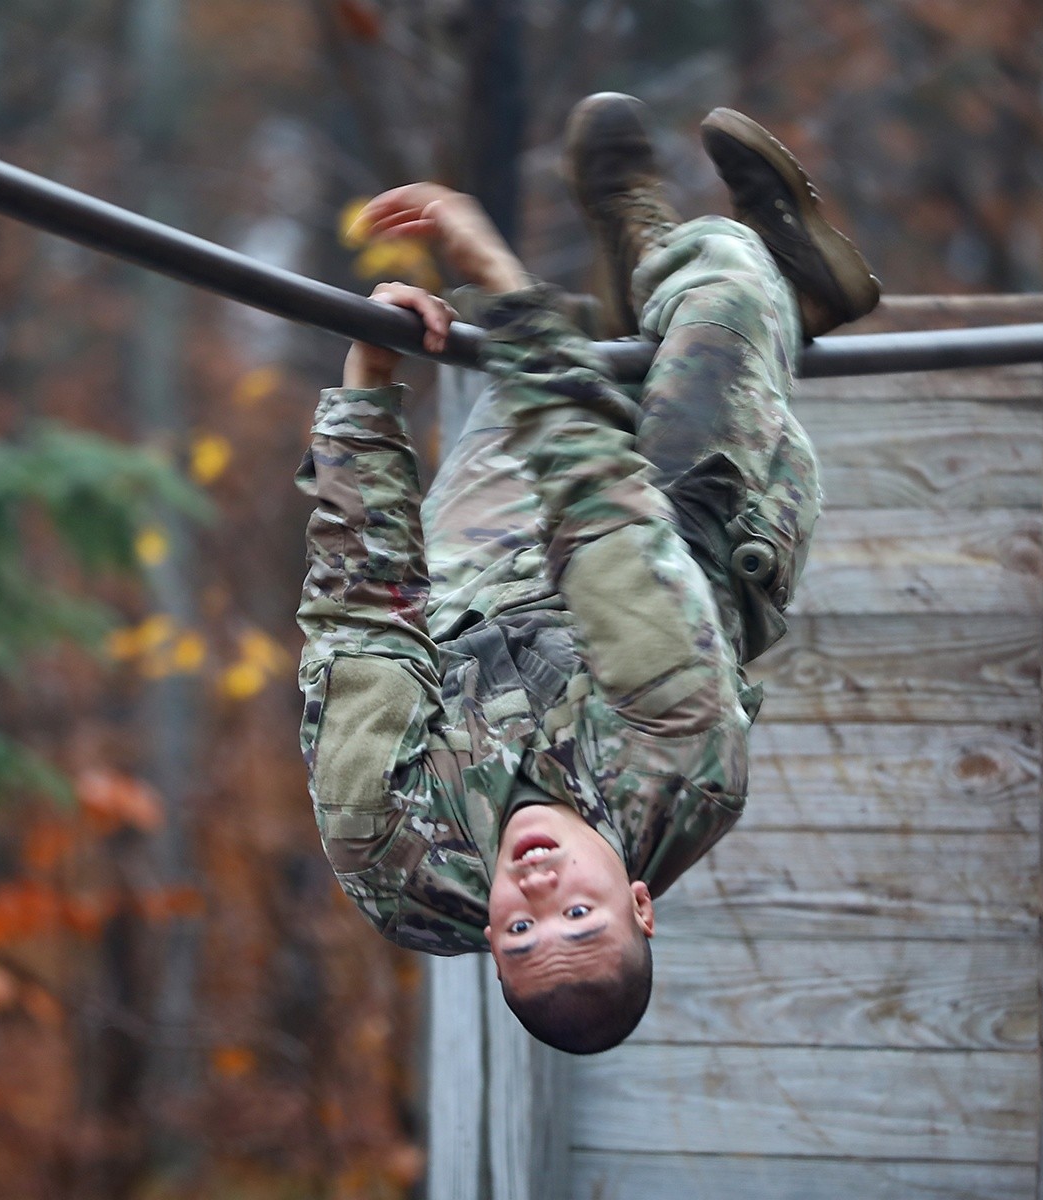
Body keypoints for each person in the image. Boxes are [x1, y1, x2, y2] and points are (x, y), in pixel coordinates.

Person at [295, 94, 879, 1054]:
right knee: (725, 286)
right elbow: (598, 504)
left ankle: (782, 292)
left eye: (522, 934)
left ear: (487, 939)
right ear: (640, 901)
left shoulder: (392, 850)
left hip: (473, 579)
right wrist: (488, 263)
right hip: (676, 547)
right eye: (582, 918)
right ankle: (688, 251)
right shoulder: (680, 766)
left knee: (556, 348)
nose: (539, 895)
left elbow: (365, 618)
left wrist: (366, 387)